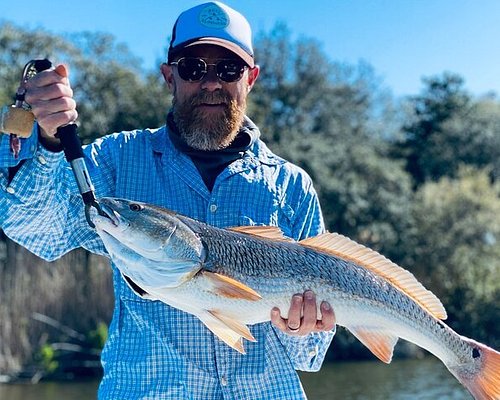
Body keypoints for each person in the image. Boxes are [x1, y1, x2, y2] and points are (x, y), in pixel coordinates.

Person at [0, 2, 336, 399]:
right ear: (169, 76)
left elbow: (310, 356)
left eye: (229, 70)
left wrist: (303, 329)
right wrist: (52, 140)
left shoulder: (292, 185)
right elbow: (37, 230)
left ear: (251, 79)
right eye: (193, 67)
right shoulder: (116, 159)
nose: (211, 83)